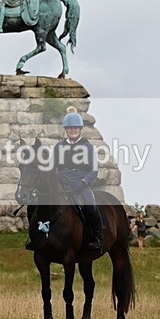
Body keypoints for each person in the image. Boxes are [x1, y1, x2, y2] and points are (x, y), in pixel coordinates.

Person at [53, 107, 103, 252]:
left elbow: (94, 170)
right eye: (70, 128)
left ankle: (98, 239)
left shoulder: (87, 147)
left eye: (75, 128)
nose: (73, 130)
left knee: (90, 204)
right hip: (62, 181)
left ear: (80, 129)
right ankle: (37, 237)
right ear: (66, 130)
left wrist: (84, 182)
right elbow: (52, 166)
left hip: (81, 183)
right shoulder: (59, 147)